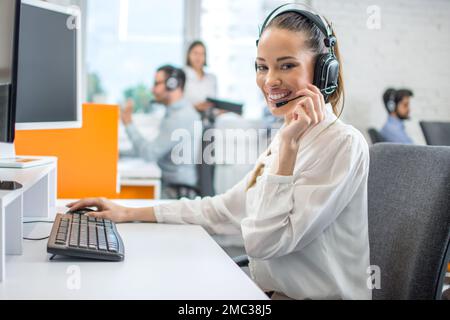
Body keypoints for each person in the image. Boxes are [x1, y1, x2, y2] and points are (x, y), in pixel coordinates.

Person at [68, 4, 371, 300]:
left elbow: (264, 244)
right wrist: (129, 212)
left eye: (287, 65)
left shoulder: (341, 144)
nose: (269, 80)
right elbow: (224, 209)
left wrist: (288, 149)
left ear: (324, 72)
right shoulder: (288, 138)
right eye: (262, 67)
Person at [121, 65, 200, 199]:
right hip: (175, 188)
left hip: (177, 193)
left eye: (157, 84)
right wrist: (118, 153)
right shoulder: (176, 113)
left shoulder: (179, 118)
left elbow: (149, 153)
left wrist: (128, 123)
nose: (153, 89)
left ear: (172, 84)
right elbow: (152, 147)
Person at [184, 40, 218, 119]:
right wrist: (195, 107)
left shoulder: (212, 78)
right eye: (195, 53)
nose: (198, 57)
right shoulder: (183, 75)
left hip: (208, 120)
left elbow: (214, 104)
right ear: (188, 55)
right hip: (188, 120)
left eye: (202, 54)